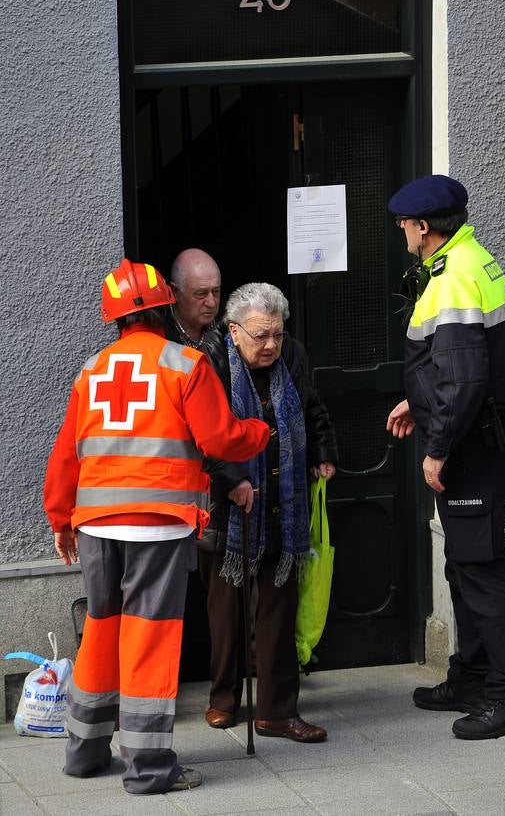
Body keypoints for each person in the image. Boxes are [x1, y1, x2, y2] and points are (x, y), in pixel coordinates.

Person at [44, 259, 269, 794]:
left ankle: (85, 752)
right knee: (149, 639)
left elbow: (64, 458)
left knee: (101, 631)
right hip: (158, 525)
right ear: (167, 306)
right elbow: (220, 441)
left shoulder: (91, 370)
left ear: (115, 318)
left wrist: (61, 519)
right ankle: (148, 769)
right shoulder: (185, 364)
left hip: (97, 524)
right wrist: (260, 431)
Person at [386, 174, 505, 741]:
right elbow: (462, 364)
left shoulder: (452, 279)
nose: (401, 231)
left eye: (404, 224)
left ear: (423, 228)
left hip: (474, 443)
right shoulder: (473, 256)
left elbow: (467, 375)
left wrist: (437, 447)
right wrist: (417, 400)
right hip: (483, 431)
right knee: (464, 561)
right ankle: (472, 677)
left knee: (481, 564)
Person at [198, 282, 338, 742]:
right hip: (228, 505)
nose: (272, 344)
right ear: (234, 330)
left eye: (277, 333)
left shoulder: (292, 355)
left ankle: (277, 710)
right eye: (261, 335)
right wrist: (232, 479)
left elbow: (312, 406)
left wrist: (323, 452)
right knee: (227, 608)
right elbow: (204, 434)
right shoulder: (212, 361)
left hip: (283, 499)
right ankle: (223, 698)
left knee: (278, 606)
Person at [165, 248, 221, 348]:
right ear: (175, 292)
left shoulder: (230, 324)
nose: (211, 303)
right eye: (201, 294)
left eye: (216, 291)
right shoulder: (159, 331)